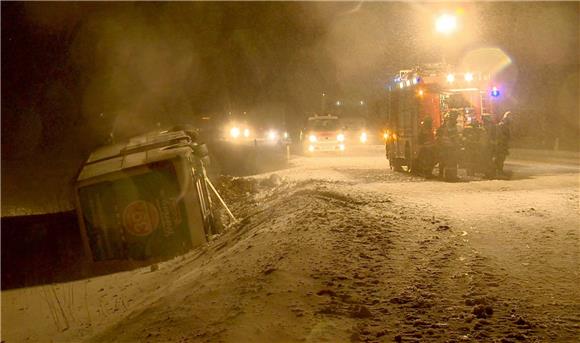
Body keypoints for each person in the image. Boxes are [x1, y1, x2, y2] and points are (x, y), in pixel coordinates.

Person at [436, 110, 460, 181]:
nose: (456, 117)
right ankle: (448, 175)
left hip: (449, 145)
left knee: (449, 160)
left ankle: (451, 175)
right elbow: (452, 135)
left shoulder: (451, 123)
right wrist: (456, 142)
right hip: (447, 145)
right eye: (456, 116)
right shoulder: (450, 124)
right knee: (447, 160)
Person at [495, 111, 512, 178]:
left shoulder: (505, 125)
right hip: (501, 145)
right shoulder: (502, 125)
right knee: (500, 158)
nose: (511, 119)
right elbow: (500, 135)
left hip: (503, 144)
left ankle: (499, 170)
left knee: (502, 158)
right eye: (510, 117)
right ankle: (498, 170)